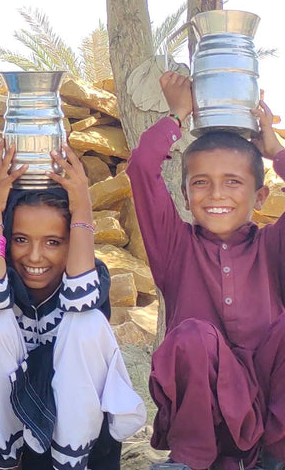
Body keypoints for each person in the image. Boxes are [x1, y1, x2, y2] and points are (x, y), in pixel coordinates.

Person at [0, 140, 146, 470]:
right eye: (21, 239)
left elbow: (81, 302)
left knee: (86, 324)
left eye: (53, 242)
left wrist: (82, 207)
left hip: (71, 444)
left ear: (72, 243)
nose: (35, 256)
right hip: (10, 437)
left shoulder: (90, 274)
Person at [125, 71, 285, 470]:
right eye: (201, 183)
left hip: (272, 413)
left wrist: (274, 149)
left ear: (260, 194)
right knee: (192, 336)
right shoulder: (175, 247)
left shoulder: (272, 245)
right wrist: (178, 114)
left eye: (233, 182)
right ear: (184, 193)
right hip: (208, 421)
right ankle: (190, 462)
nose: (216, 194)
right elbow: (143, 168)